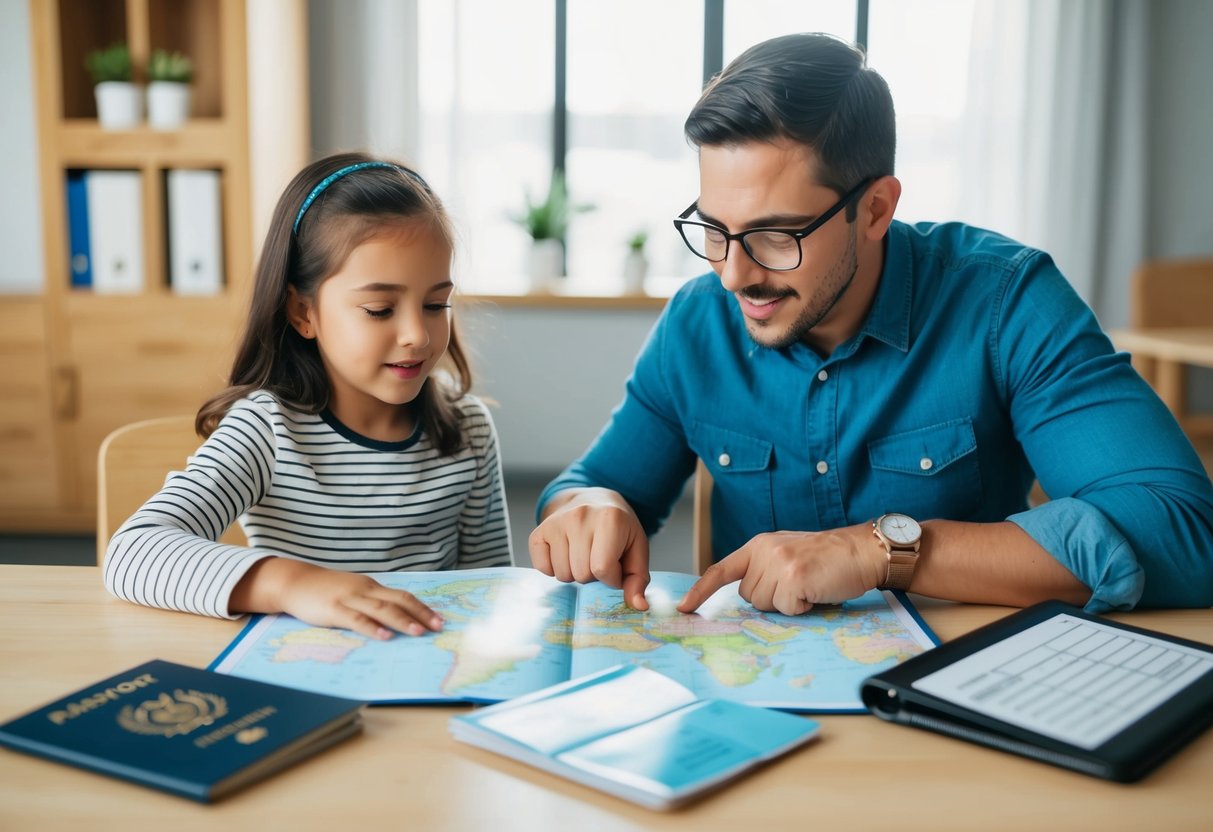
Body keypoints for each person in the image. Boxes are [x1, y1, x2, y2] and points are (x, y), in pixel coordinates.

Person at [529, 32, 1213, 617]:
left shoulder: (1007, 302)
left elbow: (1185, 534)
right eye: (712, 229)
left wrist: (880, 550)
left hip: (959, 694)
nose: (733, 275)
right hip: (752, 708)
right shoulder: (695, 323)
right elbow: (592, 486)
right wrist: (587, 506)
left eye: (775, 235)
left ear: (876, 210)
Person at [104, 152, 513, 639]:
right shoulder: (267, 428)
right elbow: (132, 552)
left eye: (434, 304)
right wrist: (291, 584)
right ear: (304, 312)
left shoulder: (468, 428)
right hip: (303, 666)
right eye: (380, 309)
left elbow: (493, 588)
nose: (417, 336)